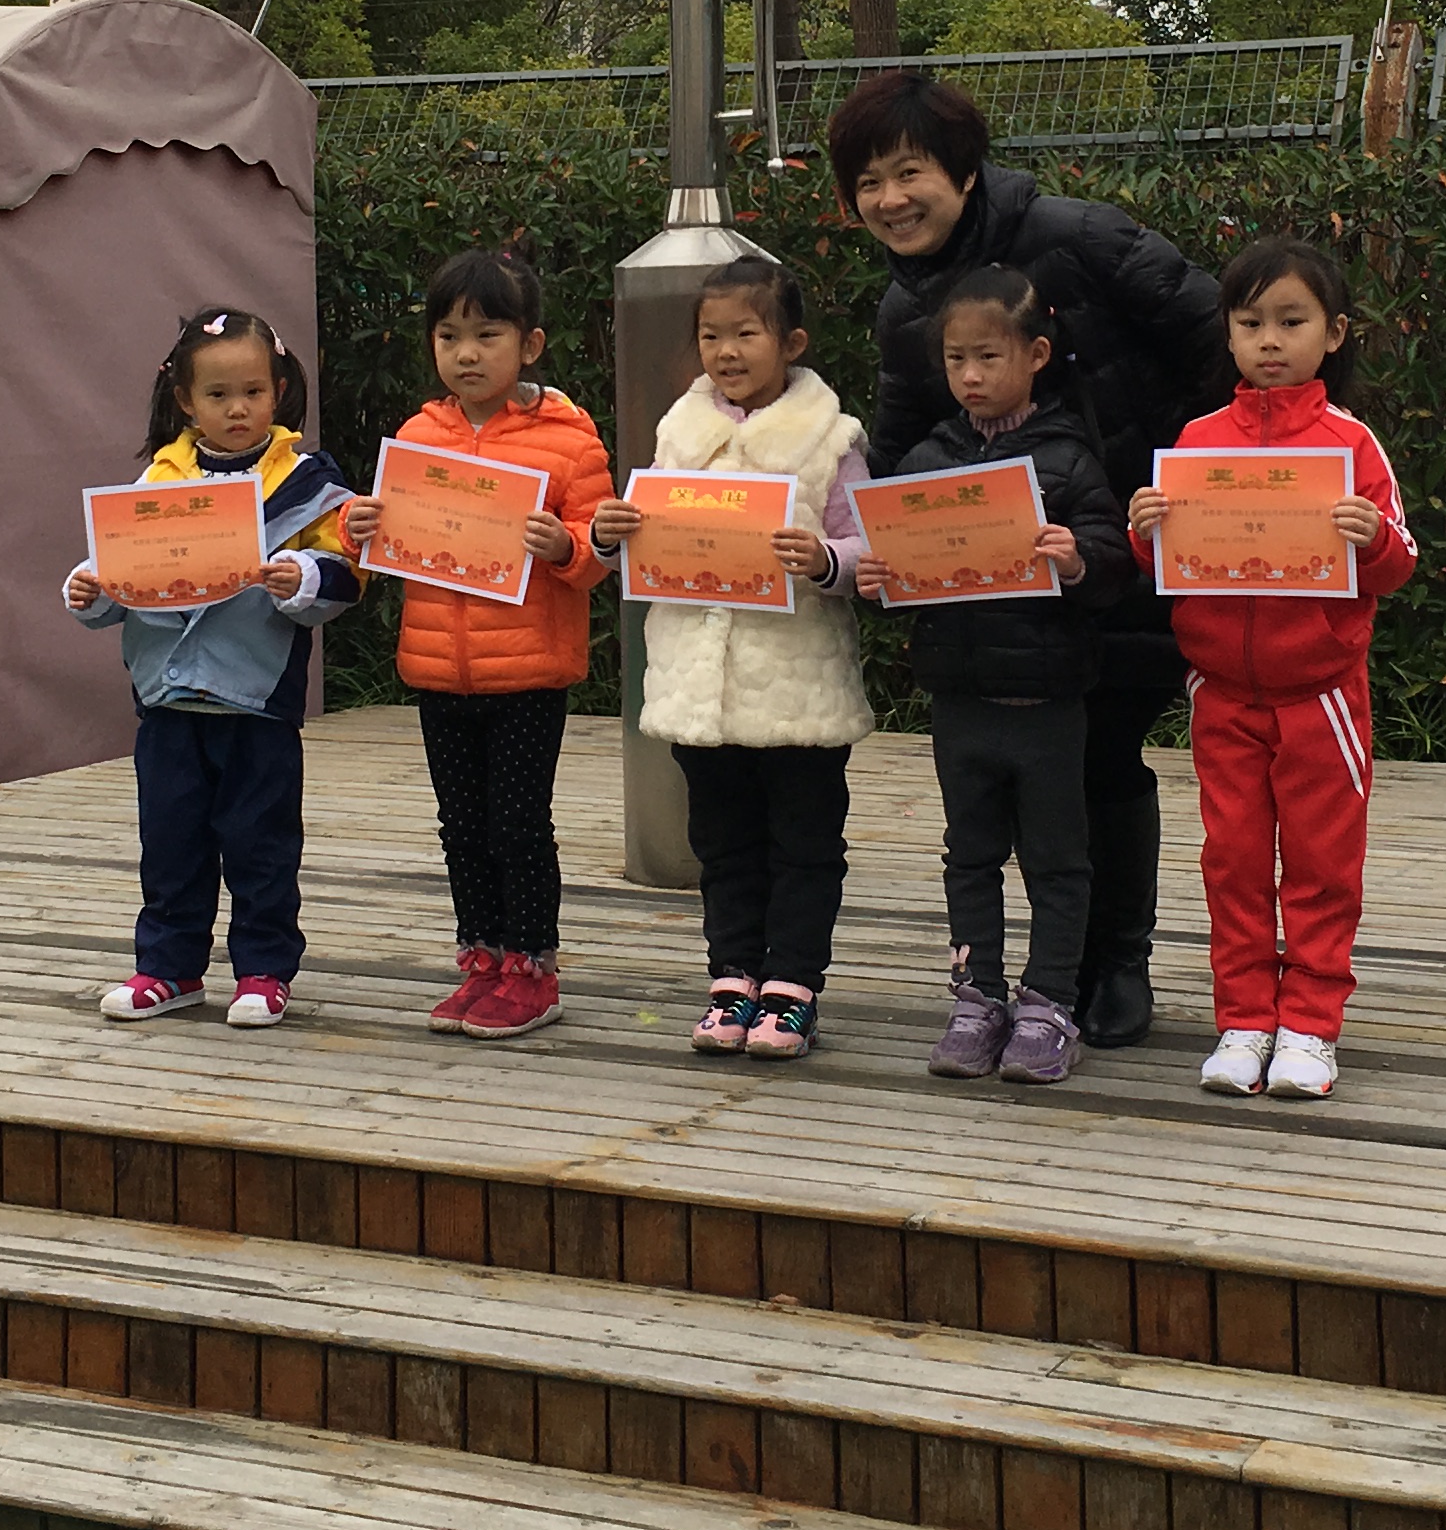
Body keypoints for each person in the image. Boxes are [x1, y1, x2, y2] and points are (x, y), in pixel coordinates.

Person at [831, 68, 1229, 1048]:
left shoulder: (1079, 236)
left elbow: (1221, 333)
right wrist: (888, 551)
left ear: (964, 172)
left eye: (910, 172)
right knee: (1038, 780)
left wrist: (1188, 484)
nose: (891, 199)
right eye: (868, 182)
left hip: (1127, 541)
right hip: (1007, 597)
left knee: (1106, 754)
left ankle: (1115, 962)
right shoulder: (905, 312)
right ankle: (1054, 973)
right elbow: (900, 458)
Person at [1123, 238, 1417, 1101]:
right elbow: (1171, 567)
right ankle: (1245, 1020)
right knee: (1235, 862)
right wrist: (1146, 530)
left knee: (1323, 863)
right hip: (1221, 692)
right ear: (1228, 333)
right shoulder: (1198, 441)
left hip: (1321, 694)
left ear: (1335, 333)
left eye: (1292, 321)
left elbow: (1400, 561)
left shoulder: (1350, 443)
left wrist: (1373, 539)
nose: (1270, 341)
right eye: (1250, 323)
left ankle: (1312, 1026)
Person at [586, 259, 875, 1062]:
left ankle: (793, 986)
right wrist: (611, 534)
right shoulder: (680, 430)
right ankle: (732, 977)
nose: (726, 351)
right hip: (698, 684)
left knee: (805, 842)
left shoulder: (832, 437)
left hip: (797, 683)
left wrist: (826, 560)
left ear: (793, 342)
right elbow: (649, 540)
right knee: (722, 842)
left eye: (746, 333)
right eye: (710, 336)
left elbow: (867, 544)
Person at [854, 266, 1136, 1087]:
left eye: (989, 357)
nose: (971, 376)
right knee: (969, 855)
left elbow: (1114, 562)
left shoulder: (1068, 458)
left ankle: (1049, 1004)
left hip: (1048, 701)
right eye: (956, 360)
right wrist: (879, 581)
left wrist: (1079, 559)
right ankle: (976, 998)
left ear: (1036, 354)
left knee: (1057, 860)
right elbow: (899, 571)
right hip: (960, 697)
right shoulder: (927, 458)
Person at [338, 247, 611, 1042]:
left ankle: (533, 969)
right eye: (449, 336)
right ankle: (483, 960)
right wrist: (359, 529)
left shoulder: (570, 441)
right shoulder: (419, 434)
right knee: (460, 826)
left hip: (528, 673)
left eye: (487, 335)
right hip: (438, 669)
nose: (466, 354)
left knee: (518, 825)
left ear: (530, 344)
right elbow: (390, 542)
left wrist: (566, 547)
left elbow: (600, 550)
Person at [64, 308, 362, 1030]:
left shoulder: (310, 484)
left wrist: (304, 577)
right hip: (167, 701)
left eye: (253, 391)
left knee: (262, 846)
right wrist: (90, 588)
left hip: (256, 703)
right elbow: (125, 572)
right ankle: (169, 968)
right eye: (219, 394)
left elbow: (347, 573)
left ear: (280, 390)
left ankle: (264, 970)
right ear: (185, 401)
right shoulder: (159, 477)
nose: (238, 408)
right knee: (170, 845)